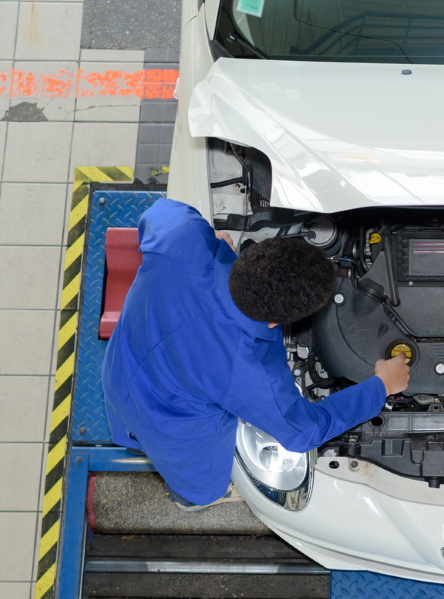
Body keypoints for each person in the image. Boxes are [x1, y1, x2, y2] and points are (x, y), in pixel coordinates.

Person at [103, 199, 410, 510]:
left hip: (121, 367)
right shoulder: (252, 372)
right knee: (202, 489)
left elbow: (158, 212)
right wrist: (381, 386)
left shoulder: (181, 236)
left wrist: (209, 239)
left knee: (127, 416)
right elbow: (305, 431)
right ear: (278, 323)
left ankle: (130, 436)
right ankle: (189, 499)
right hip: (171, 420)